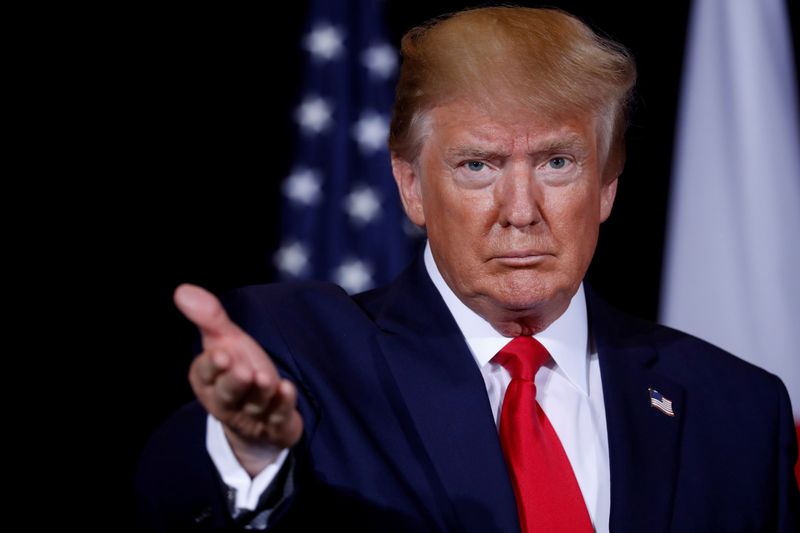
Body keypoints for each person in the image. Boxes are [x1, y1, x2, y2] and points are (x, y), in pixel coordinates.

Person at [137, 6, 800, 532]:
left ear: (608, 187)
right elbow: (167, 504)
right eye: (477, 165)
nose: (520, 211)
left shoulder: (739, 409)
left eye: (557, 162)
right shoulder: (306, 358)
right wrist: (249, 456)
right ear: (410, 187)